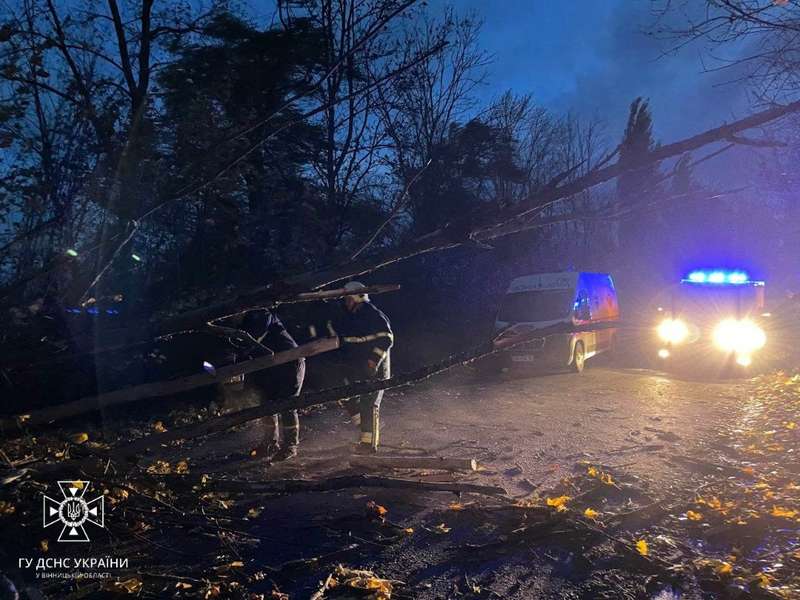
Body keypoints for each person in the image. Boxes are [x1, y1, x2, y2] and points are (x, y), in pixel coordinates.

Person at [309, 281, 393, 451]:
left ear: (358, 297)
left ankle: (368, 445)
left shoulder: (372, 314)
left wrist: (374, 360)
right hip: (356, 367)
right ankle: (368, 425)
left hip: (373, 369)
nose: (346, 302)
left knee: (369, 404)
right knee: (345, 396)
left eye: (348, 299)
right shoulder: (350, 315)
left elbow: (386, 338)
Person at [238, 308, 305, 461]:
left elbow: (257, 335)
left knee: (287, 404)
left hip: (290, 362)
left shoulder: (262, 315)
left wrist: (245, 349)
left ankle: (290, 446)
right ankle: (270, 443)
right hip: (270, 366)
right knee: (267, 404)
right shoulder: (243, 325)